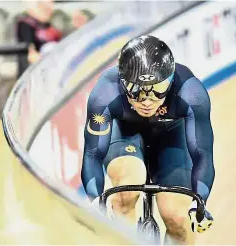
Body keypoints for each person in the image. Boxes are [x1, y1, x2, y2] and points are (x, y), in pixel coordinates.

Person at [81, 35, 215, 245]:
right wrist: (95, 200)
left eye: (158, 89)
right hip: (125, 134)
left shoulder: (191, 93)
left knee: (177, 217)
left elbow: (203, 153)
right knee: (127, 188)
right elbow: (92, 153)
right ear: (122, 82)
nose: (146, 100)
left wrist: (198, 204)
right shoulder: (104, 94)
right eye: (136, 90)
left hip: (171, 137)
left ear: (171, 81)